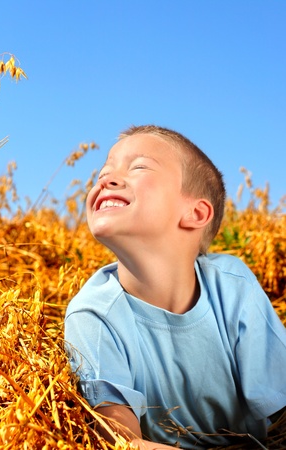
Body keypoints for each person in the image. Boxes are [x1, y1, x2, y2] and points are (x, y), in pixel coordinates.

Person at [64, 125, 286, 449]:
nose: (105, 180)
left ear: (195, 213)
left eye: (138, 167)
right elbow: (118, 441)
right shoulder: (92, 315)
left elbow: (281, 411)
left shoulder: (232, 286)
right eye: (104, 171)